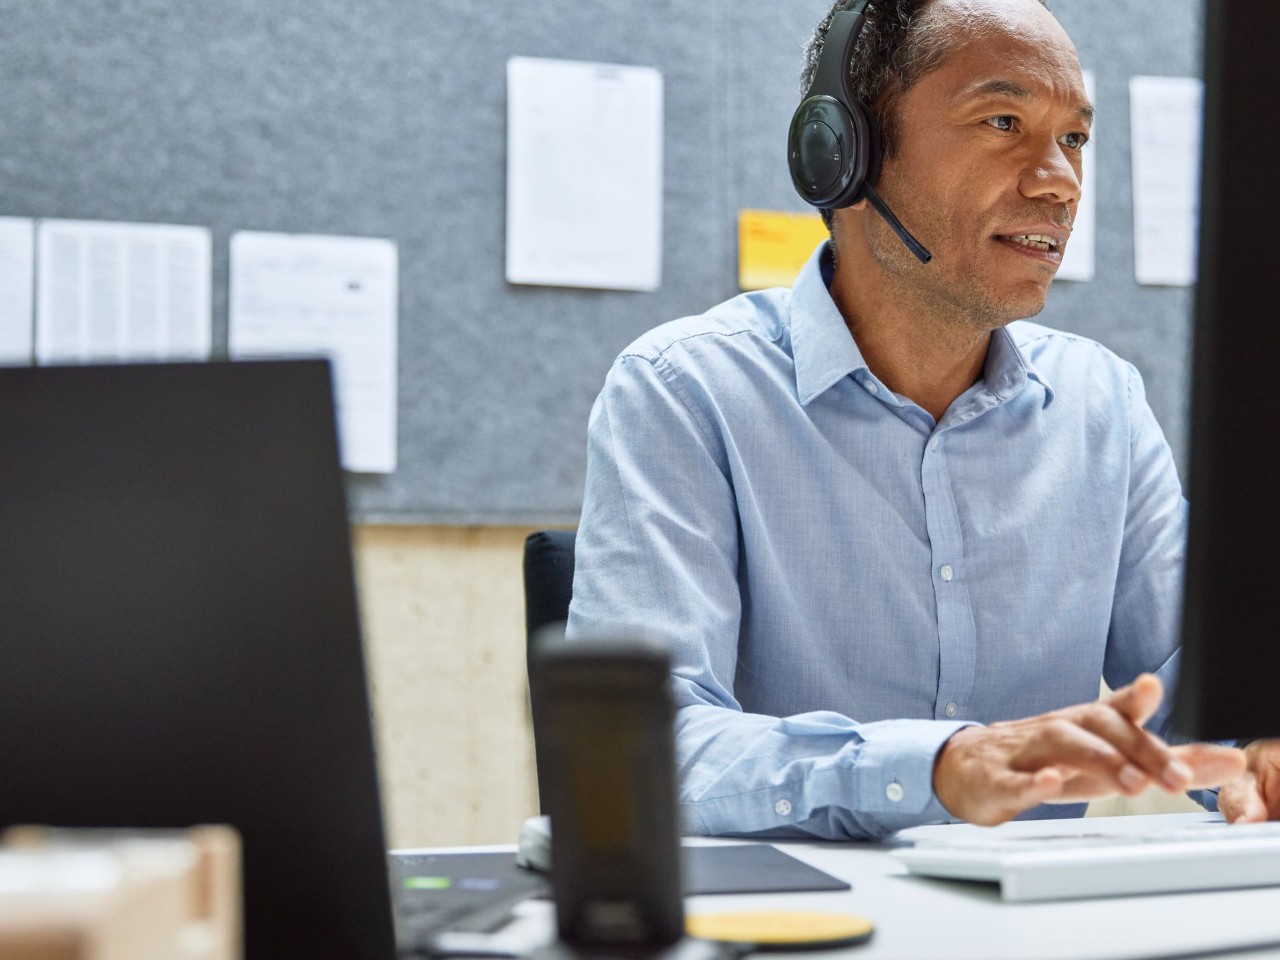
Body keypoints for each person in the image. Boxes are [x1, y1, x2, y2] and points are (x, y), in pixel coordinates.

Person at [566, 0, 1275, 840]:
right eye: (1003, 122)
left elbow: (1198, 682)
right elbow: (644, 748)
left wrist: (1256, 751)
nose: (1059, 180)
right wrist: (938, 767)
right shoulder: (685, 391)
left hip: (1030, 908)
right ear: (844, 154)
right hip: (792, 907)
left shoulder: (1103, 404)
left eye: (1075, 137)